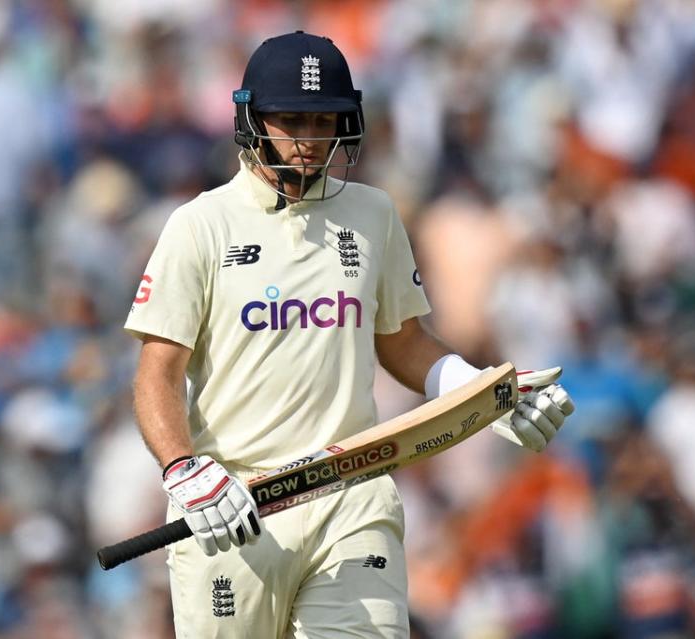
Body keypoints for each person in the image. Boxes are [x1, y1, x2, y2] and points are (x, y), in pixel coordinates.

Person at [124, 31, 575, 638]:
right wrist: (184, 468)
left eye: (323, 121)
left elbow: (407, 344)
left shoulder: (373, 215)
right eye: (291, 121)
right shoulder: (200, 226)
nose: (309, 140)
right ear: (251, 117)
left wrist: (487, 395)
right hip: (235, 506)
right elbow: (159, 371)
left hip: (351, 494)